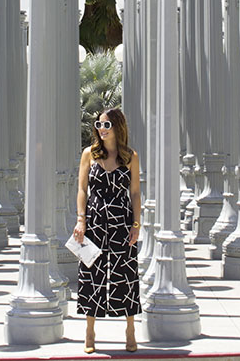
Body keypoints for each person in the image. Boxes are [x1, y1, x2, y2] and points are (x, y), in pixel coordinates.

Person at [73, 107, 141, 354]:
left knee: (126, 272)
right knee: (91, 272)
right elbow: (82, 189)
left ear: (118, 127)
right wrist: (81, 220)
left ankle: (130, 329)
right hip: (95, 221)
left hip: (122, 221)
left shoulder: (130, 157)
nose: (101, 129)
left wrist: (136, 223)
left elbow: (134, 193)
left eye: (106, 125)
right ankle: (90, 332)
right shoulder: (89, 154)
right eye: (99, 125)